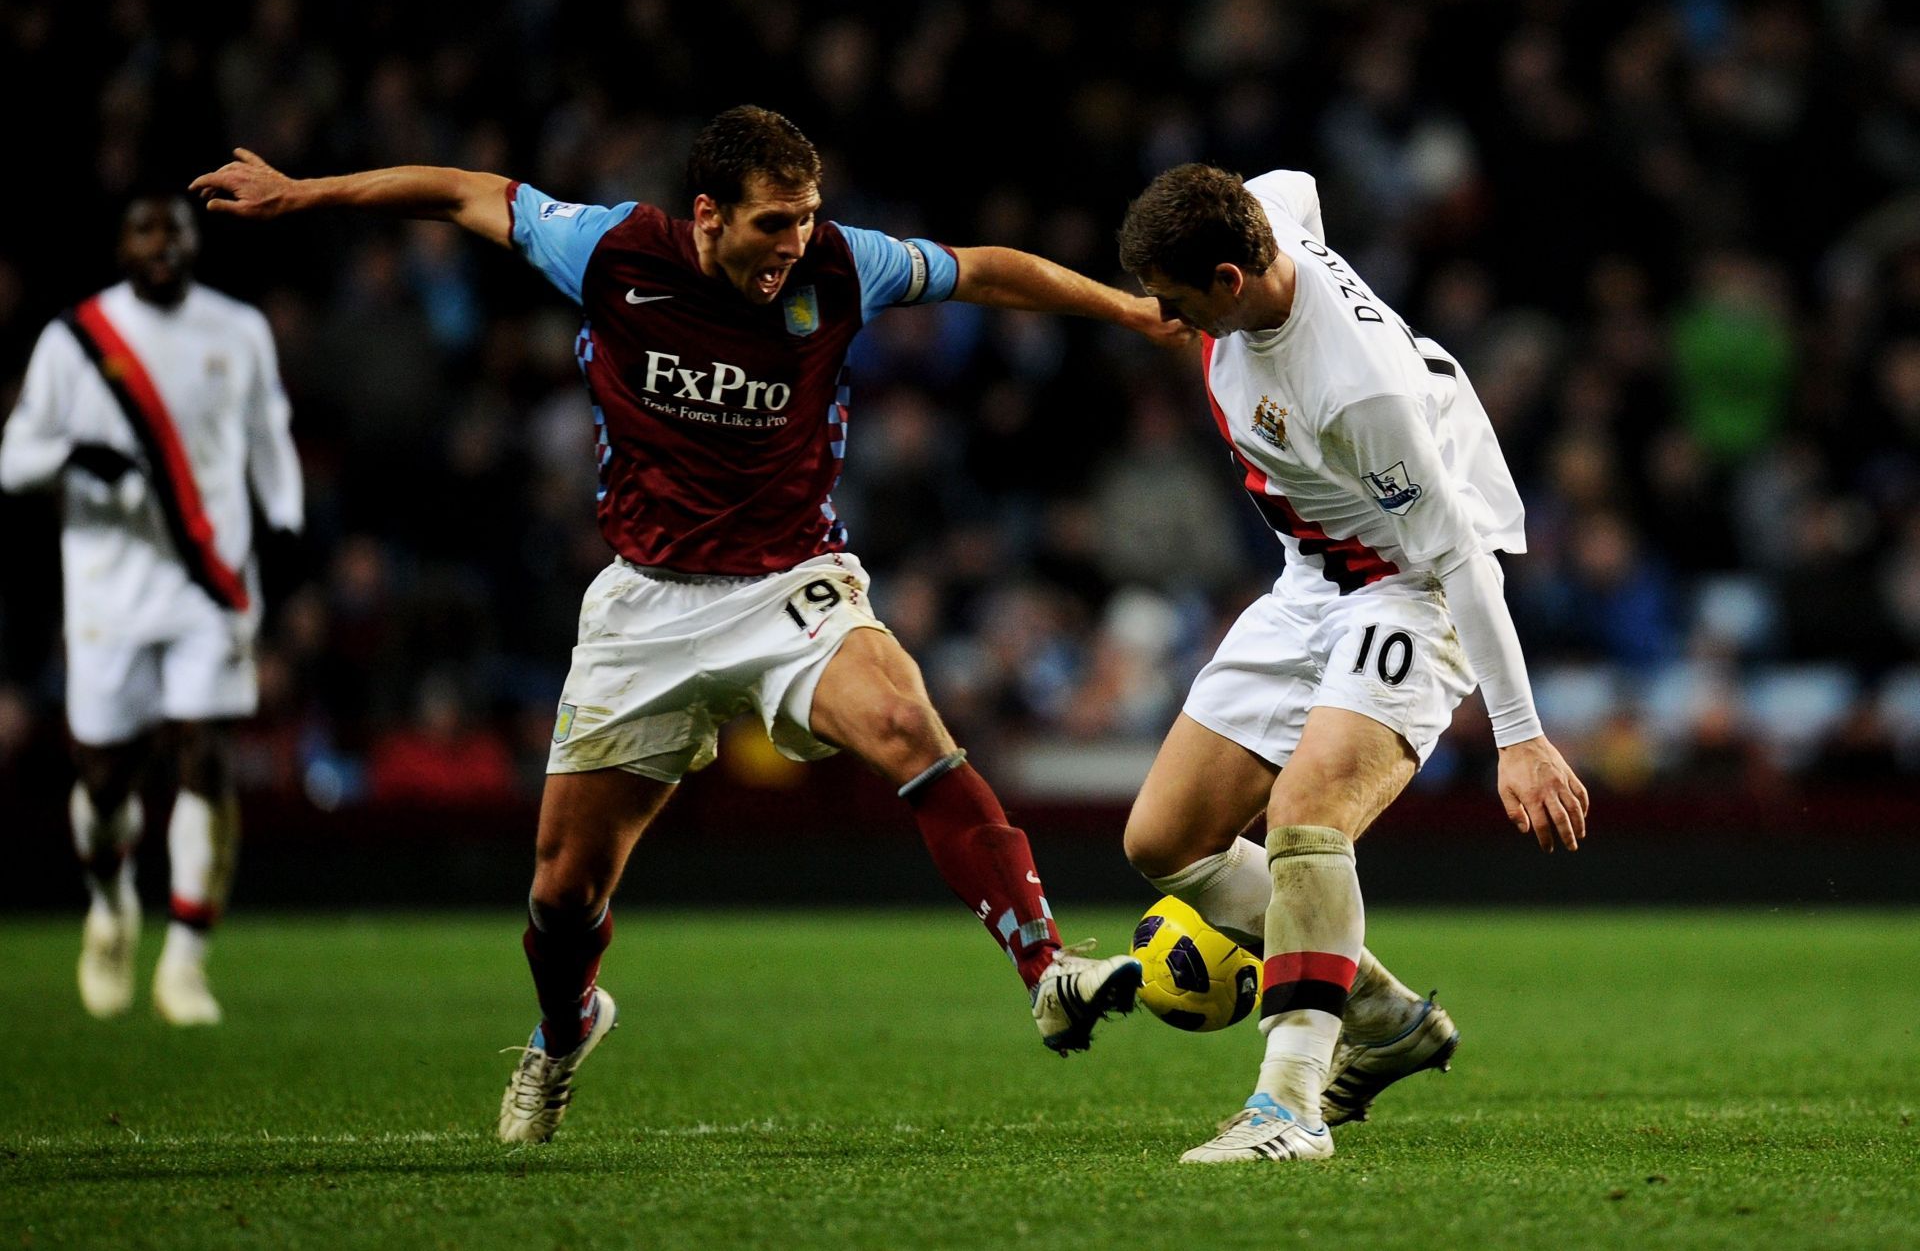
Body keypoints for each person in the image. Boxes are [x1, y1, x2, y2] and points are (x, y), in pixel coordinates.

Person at [191, 105, 1190, 1144]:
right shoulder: (609, 248)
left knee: (905, 722)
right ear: (707, 215)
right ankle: (566, 1024)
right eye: (773, 223)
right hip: (647, 603)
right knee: (562, 890)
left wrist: (1124, 311)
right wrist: (305, 193)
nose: (794, 244)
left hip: (790, 582)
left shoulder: (848, 266)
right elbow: (456, 189)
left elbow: (985, 269)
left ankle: (1046, 964)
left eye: (806, 219)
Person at [1114, 165, 1589, 1164]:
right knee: (1164, 840)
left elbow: (1458, 555)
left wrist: (1521, 737)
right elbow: (1294, 180)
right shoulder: (1268, 217)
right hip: (1310, 574)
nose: (1164, 315)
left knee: (1306, 819)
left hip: (1411, 586)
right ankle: (1382, 1013)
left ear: (1232, 282)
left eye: (1176, 297)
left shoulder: (1354, 389)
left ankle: (1289, 1105)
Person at [0, 194, 304, 1026]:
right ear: (121, 244)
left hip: (211, 582)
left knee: (204, 756)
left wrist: (285, 521)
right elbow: (13, 455)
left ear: (195, 242)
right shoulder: (76, 339)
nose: (162, 244)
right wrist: (70, 453)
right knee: (104, 776)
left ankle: (185, 960)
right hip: (107, 587)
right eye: (145, 230)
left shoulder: (237, 328)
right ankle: (110, 906)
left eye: (175, 230)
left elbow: (268, 432)